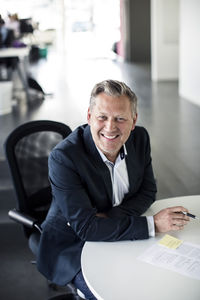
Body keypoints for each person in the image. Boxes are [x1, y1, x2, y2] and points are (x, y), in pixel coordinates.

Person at [37, 80, 190, 299]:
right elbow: (87, 229)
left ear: (133, 120)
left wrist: (108, 219)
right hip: (73, 245)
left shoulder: (140, 138)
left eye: (120, 118)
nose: (110, 127)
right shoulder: (64, 158)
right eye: (102, 117)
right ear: (89, 117)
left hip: (119, 230)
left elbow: (148, 191)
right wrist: (152, 224)